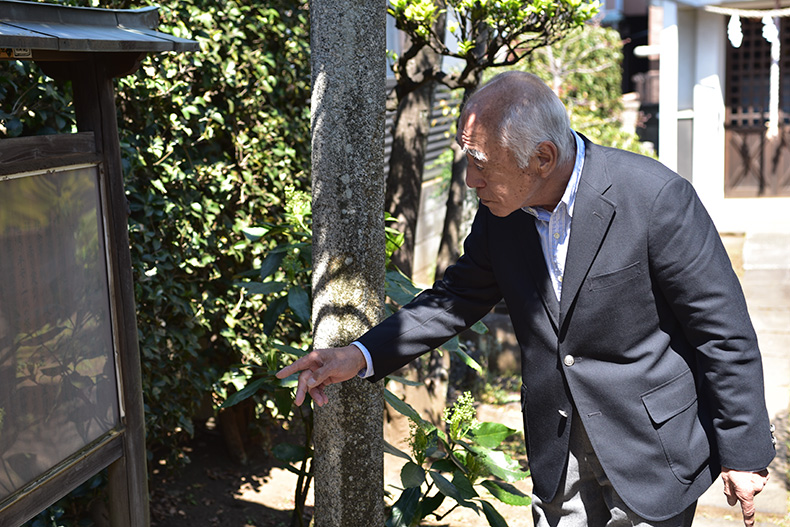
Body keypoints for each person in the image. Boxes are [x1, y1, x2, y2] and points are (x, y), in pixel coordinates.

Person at [276, 71, 776, 527]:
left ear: (542, 158)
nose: (470, 181)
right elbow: (456, 297)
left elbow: (722, 330)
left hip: (650, 448)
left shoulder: (655, 198)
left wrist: (743, 451)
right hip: (558, 452)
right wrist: (358, 354)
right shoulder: (503, 210)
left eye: (480, 164)